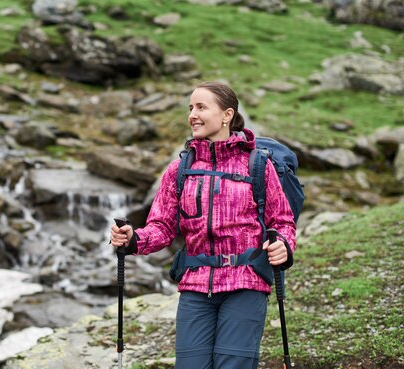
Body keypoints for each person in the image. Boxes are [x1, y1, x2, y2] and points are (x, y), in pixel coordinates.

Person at [109, 81, 296, 369]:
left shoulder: (257, 165)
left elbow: (282, 220)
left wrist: (283, 245)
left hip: (245, 282)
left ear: (226, 115)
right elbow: (161, 227)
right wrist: (133, 238)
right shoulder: (179, 170)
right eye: (190, 108)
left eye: (201, 107)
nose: (192, 115)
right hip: (195, 286)